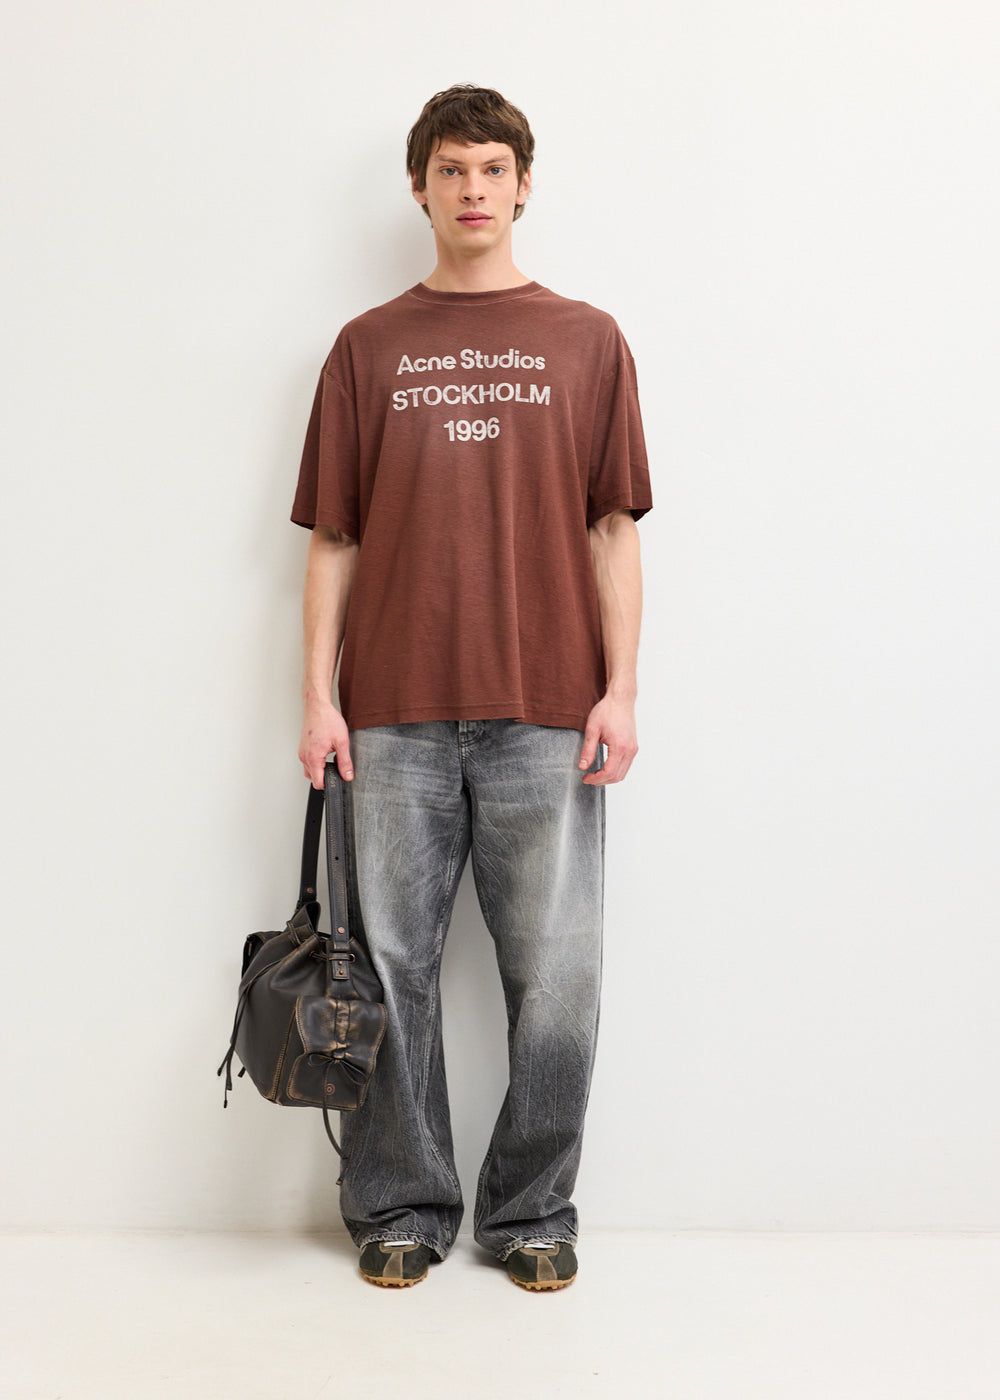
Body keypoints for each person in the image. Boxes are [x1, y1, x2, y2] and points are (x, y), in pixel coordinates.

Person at [292, 84, 651, 1290]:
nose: (473, 189)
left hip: (547, 707)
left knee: (556, 977)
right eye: (450, 169)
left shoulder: (586, 339)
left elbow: (612, 526)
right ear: (420, 188)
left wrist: (621, 688)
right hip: (389, 709)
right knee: (389, 971)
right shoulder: (367, 347)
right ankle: (401, 1203)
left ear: (524, 184)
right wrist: (317, 697)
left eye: (493, 168)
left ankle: (533, 1210)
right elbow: (332, 536)